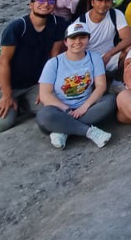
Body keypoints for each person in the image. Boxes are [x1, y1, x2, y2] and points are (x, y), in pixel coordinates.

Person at [0, 0, 66, 132]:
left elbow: (54, 56)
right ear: (31, 5)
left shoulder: (57, 23)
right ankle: (1, 98)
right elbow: (3, 62)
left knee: (52, 108)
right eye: (40, 1)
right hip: (8, 84)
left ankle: (24, 101)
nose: (45, 4)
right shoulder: (17, 27)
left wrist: (47, 86)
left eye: (50, 1)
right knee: (1, 124)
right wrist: (7, 95)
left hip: (33, 83)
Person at [36, 21, 115, 150]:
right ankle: (90, 132)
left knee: (110, 101)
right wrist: (66, 109)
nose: (77, 41)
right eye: (73, 38)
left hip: (86, 108)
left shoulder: (94, 58)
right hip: (59, 109)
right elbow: (45, 94)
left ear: (88, 40)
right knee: (45, 116)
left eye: (82, 37)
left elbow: (101, 86)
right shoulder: (53, 63)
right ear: (66, 42)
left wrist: (85, 106)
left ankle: (62, 129)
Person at [76, 0, 131, 77]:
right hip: (89, 60)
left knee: (130, 50)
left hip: (110, 56)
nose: (103, 4)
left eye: (107, 0)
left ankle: (118, 80)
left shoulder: (116, 14)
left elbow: (128, 39)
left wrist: (109, 54)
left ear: (111, 3)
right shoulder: (81, 22)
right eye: (100, 0)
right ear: (92, 2)